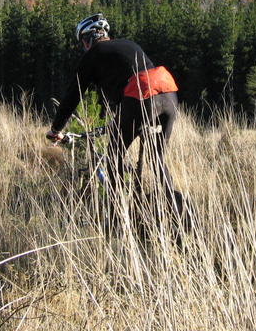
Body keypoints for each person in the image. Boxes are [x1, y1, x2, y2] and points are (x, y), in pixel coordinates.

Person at [46, 13, 185, 225]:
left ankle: (118, 216)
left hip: (141, 95)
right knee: (157, 157)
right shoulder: (128, 44)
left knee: (113, 156)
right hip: (168, 93)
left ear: (87, 40)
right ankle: (172, 205)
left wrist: (56, 129)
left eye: (83, 43)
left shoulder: (93, 54)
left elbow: (73, 95)